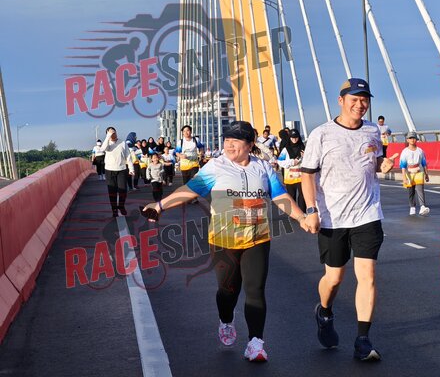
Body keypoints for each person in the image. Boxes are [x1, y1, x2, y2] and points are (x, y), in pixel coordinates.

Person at [142, 121, 308, 362]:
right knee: (228, 290)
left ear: (250, 144)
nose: (229, 145)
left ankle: (255, 343)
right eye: (227, 140)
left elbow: (280, 195)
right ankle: (226, 320)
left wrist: (301, 217)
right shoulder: (216, 166)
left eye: (235, 141)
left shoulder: (263, 167)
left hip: (257, 237)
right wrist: (160, 206)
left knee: (255, 289)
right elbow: (190, 190)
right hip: (223, 239)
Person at [301, 78, 398, 362]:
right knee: (334, 278)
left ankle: (363, 340)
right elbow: (307, 174)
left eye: (364, 99)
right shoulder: (321, 134)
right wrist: (311, 209)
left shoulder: (372, 130)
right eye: (354, 99)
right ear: (341, 100)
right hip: (332, 217)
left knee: (367, 276)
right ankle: (324, 311)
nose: (360, 104)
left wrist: (383, 164)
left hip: (367, 213)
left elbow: (375, 161)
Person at [99, 126, 135, 217]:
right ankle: (114, 209)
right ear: (107, 134)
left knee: (123, 190)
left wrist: (131, 169)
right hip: (109, 170)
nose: (113, 134)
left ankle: (121, 206)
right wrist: (108, 136)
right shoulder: (107, 143)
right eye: (111, 133)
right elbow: (103, 149)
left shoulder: (122, 142)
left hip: (121, 169)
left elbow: (128, 156)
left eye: (114, 132)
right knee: (112, 191)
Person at [399, 131, 430, 216]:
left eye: (414, 138)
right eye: (410, 138)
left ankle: (422, 206)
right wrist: (404, 178)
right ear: (407, 140)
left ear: (416, 139)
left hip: (419, 171)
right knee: (411, 191)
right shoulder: (405, 152)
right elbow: (403, 166)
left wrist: (426, 174)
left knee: (420, 190)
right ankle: (412, 207)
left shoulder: (420, 151)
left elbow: (424, 164)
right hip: (409, 172)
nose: (412, 140)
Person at [277, 128, 306, 211]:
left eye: (296, 137)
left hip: (301, 177)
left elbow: (309, 161)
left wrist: (305, 157)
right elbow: (280, 161)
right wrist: (292, 162)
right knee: (291, 196)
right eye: (292, 137)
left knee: (302, 196)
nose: (294, 139)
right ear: (289, 138)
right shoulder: (285, 149)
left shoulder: (303, 148)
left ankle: (302, 213)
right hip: (290, 177)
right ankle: (294, 213)